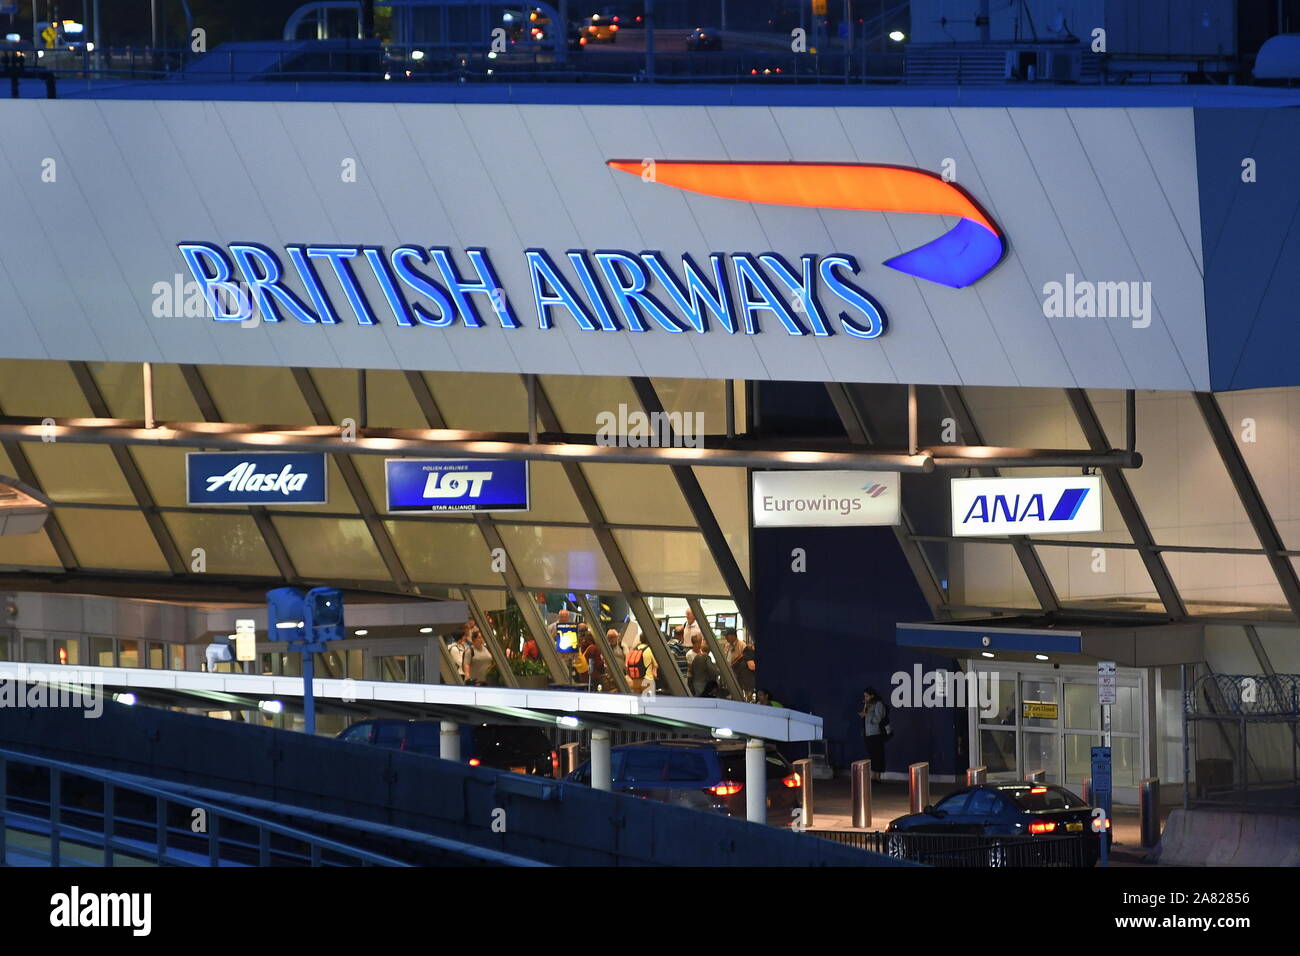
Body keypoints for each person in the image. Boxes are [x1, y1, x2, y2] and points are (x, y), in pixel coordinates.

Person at [859, 687, 889, 781]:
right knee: (872, 755)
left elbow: (878, 718)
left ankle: (878, 776)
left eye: (867, 696)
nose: (865, 697)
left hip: (876, 733)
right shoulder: (867, 705)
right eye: (864, 696)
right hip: (868, 733)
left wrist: (867, 715)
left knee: (878, 754)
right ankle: (873, 775)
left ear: (872, 696)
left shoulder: (878, 704)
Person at [731, 632, 756, 703]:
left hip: (743, 677)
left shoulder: (747, 650)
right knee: (748, 696)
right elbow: (751, 666)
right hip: (746, 678)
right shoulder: (749, 651)